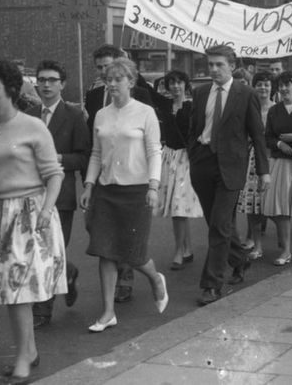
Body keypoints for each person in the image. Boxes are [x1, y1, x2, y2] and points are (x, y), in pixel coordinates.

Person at [0, 59, 66, 383]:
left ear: (10, 89)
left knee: (18, 290)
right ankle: (30, 351)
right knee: (8, 291)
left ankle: (24, 358)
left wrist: (44, 212)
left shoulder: (33, 126)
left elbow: (54, 175)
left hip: (28, 214)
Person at [79, 57, 168, 332]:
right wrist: (89, 185)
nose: (113, 83)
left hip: (137, 190)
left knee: (133, 253)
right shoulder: (101, 115)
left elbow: (155, 152)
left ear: (131, 81)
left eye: (119, 79)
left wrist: (154, 186)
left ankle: (155, 278)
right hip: (106, 190)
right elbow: (96, 153)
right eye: (109, 79)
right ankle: (108, 312)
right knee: (105, 250)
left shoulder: (145, 113)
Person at [188, 45, 271, 306]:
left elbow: (258, 135)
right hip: (203, 164)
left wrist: (263, 171)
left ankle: (212, 284)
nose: (213, 69)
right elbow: (194, 128)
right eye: (210, 64)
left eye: (219, 64)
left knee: (221, 224)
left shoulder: (245, 94)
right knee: (216, 224)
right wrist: (193, 156)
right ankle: (240, 258)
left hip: (231, 168)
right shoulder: (201, 93)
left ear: (232, 66)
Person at [83, 44, 152, 304]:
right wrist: (89, 181)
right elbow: (95, 142)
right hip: (101, 174)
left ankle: (125, 279)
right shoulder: (93, 97)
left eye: (109, 68)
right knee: (97, 228)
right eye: (100, 69)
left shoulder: (142, 96)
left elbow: (150, 141)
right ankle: (118, 274)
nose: (105, 74)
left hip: (131, 177)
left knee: (123, 233)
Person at [26, 60, 89, 328]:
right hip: (28, 194)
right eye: (42, 80)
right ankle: (70, 271)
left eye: (52, 80)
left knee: (50, 251)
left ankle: (43, 310)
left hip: (60, 197)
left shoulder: (74, 115)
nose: (46, 85)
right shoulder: (27, 114)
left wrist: (58, 158)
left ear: (63, 84)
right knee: (33, 252)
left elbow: (84, 157)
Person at [152, 70, 203, 271]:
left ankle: (179, 251)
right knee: (177, 207)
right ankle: (187, 248)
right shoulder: (165, 105)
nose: (175, 86)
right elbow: (142, 86)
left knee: (178, 206)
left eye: (179, 82)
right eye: (171, 83)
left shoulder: (192, 107)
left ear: (185, 85)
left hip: (186, 159)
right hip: (169, 157)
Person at [263, 70, 292, 266]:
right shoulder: (274, 110)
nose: (283, 88)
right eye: (280, 85)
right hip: (281, 163)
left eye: (287, 84)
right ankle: (286, 251)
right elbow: (268, 136)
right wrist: (280, 145)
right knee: (281, 209)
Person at [236, 71, 274, 260]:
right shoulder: (247, 107)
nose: (263, 88)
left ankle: (289, 242)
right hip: (251, 159)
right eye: (259, 84)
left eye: (266, 84)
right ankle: (256, 244)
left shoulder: (277, 108)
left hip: (273, 159)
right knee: (252, 205)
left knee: (275, 204)